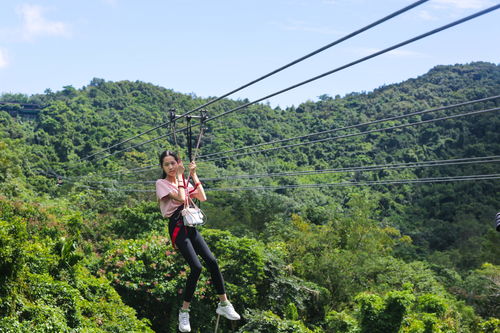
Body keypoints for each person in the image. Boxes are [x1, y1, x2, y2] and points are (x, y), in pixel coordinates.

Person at [155, 150, 240, 332]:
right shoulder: (161, 184)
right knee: (197, 267)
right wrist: (180, 176)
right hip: (177, 226)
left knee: (211, 261)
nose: (170, 167)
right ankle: (184, 312)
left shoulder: (183, 181)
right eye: (167, 164)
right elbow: (181, 198)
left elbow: (202, 196)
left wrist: (193, 174)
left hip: (190, 225)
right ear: (162, 167)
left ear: (178, 162)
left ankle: (224, 303)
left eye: (173, 163)